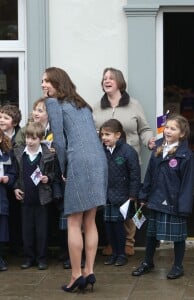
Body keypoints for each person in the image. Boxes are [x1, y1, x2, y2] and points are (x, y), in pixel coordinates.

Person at [43, 67, 107, 292]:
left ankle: (75, 275)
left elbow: (59, 141)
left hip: (78, 162)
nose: (43, 85)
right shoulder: (82, 104)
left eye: (47, 81)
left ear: (57, 83)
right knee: (89, 221)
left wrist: (63, 168)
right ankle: (89, 272)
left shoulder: (53, 104)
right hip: (99, 160)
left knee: (73, 221)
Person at [93, 67, 155, 256]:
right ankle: (112, 242)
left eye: (111, 78)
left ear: (119, 82)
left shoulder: (133, 105)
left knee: (129, 200)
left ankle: (128, 242)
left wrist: (149, 141)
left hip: (129, 162)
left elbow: (144, 129)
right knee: (109, 203)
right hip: (105, 163)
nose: (107, 80)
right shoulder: (97, 107)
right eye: (104, 78)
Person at [132, 113, 194, 280]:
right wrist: (143, 194)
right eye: (166, 127)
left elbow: (187, 183)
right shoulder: (157, 148)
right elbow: (150, 173)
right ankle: (147, 262)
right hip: (155, 198)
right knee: (151, 233)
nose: (168, 131)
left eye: (173, 129)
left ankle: (178, 265)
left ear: (182, 134)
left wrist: (184, 206)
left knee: (178, 235)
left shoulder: (186, 155)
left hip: (174, 201)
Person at [14, 122, 55, 271]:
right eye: (27, 138)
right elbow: (16, 174)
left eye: (34, 139)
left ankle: (42, 258)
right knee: (27, 230)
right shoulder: (19, 153)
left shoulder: (47, 154)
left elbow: (53, 174)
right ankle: (28, 257)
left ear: (41, 139)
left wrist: (47, 178)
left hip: (42, 198)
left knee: (42, 230)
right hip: (26, 198)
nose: (30, 141)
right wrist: (16, 188)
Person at [99, 119, 141, 267]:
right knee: (108, 225)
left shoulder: (128, 152)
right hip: (106, 195)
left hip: (122, 196)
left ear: (118, 135)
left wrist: (132, 195)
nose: (104, 137)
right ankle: (113, 253)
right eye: (102, 134)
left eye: (107, 134)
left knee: (119, 226)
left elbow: (135, 175)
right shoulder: (101, 150)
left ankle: (121, 254)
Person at [0, 104, 22, 255]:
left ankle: (16, 246)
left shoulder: (20, 137)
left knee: (15, 216)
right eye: (0, 116)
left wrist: (13, 182)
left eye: (5, 118)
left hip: (15, 182)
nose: (1, 120)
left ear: (14, 123)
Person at [0, 128, 17, 271]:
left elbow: (13, 173)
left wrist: (8, 179)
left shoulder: (6, 155)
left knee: (1, 230)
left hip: (1, 198)